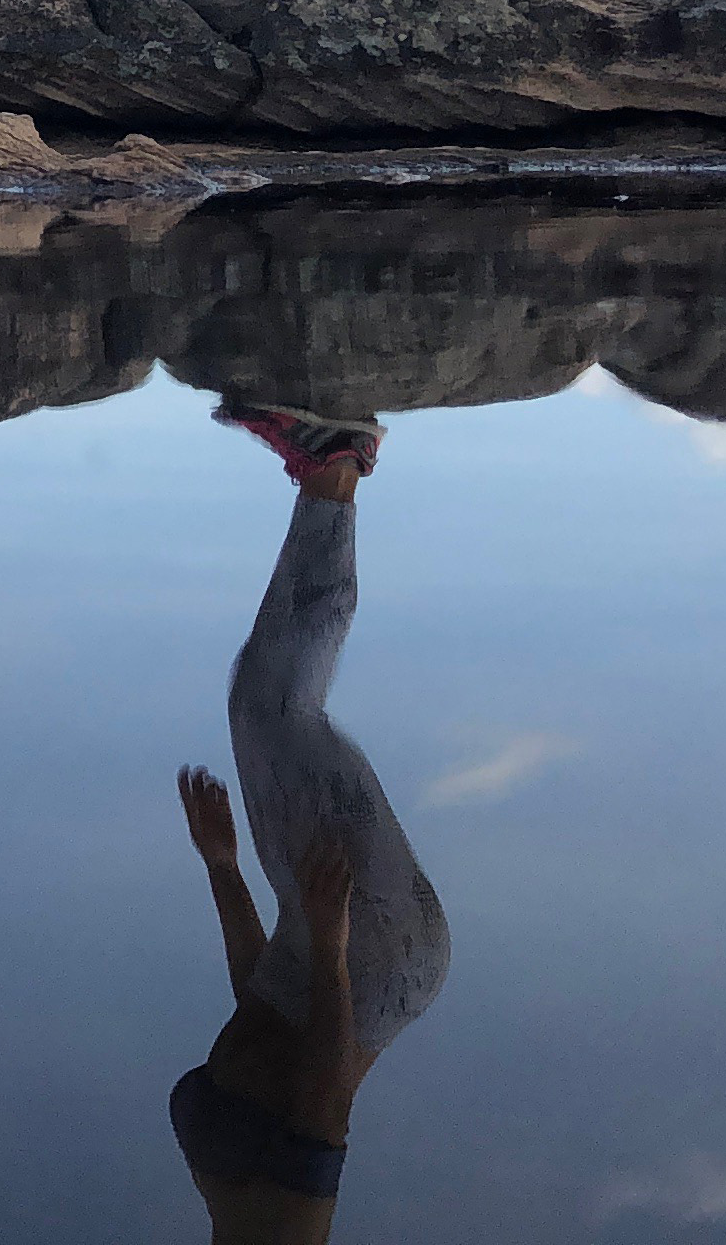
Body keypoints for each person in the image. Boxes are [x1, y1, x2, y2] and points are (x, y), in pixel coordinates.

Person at [165, 406, 452, 1237]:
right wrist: (329, 937)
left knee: (264, 705)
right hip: (369, 960)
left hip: (326, 962)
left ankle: (328, 476)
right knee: (275, 708)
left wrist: (223, 868)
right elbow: (325, 1107)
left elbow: (261, 1005)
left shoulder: (229, 1219)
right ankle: (336, 464)